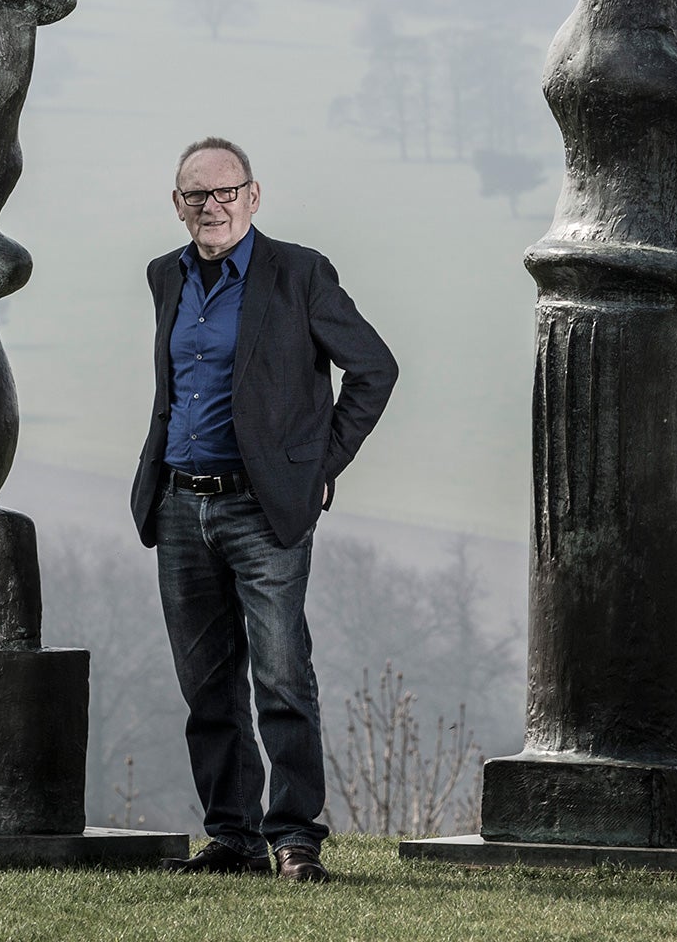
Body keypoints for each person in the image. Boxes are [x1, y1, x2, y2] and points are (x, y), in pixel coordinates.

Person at [130, 136, 397, 883]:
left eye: (224, 192)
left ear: (253, 196)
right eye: (195, 196)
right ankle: (233, 840)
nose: (210, 206)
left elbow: (375, 368)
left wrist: (320, 468)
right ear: (177, 205)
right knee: (205, 686)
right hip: (181, 505)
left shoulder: (300, 273)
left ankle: (294, 840)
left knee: (282, 679)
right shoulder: (165, 277)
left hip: (264, 511)